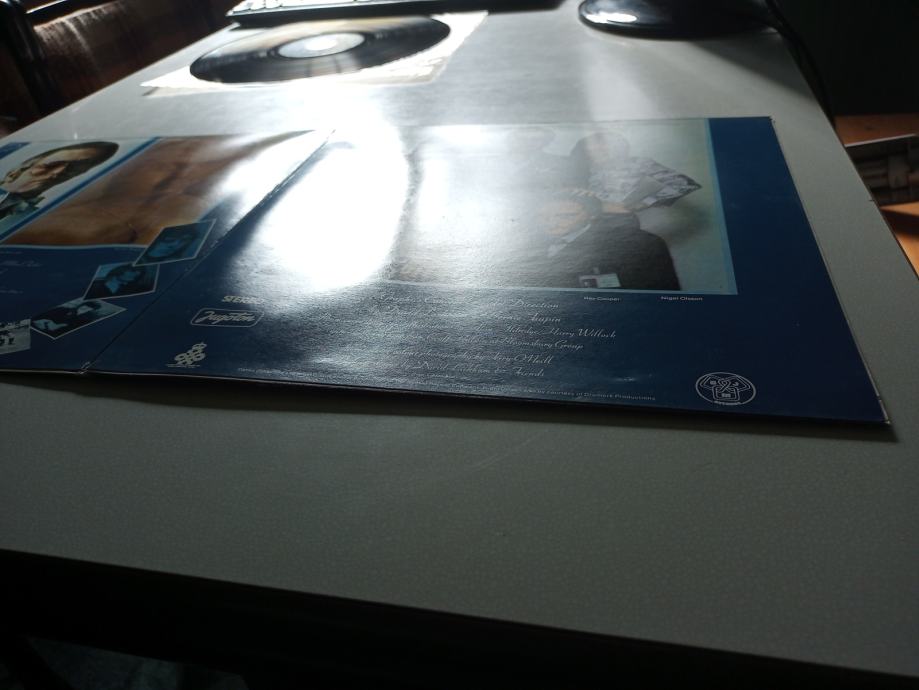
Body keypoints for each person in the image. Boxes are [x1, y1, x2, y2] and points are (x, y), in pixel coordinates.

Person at [513, 192, 681, 290]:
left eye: (565, 216)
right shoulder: (527, 244)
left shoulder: (633, 244)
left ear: (592, 216)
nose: (551, 223)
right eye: (543, 217)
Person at [0, 142, 118, 234]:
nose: (55, 174)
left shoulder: (31, 219)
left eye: (71, 170)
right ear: (14, 173)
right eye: (51, 166)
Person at [85, 263, 154, 299]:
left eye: (137, 276)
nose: (133, 276)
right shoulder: (96, 284)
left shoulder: (132, 289)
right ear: (122, 269)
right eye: (132, 271)